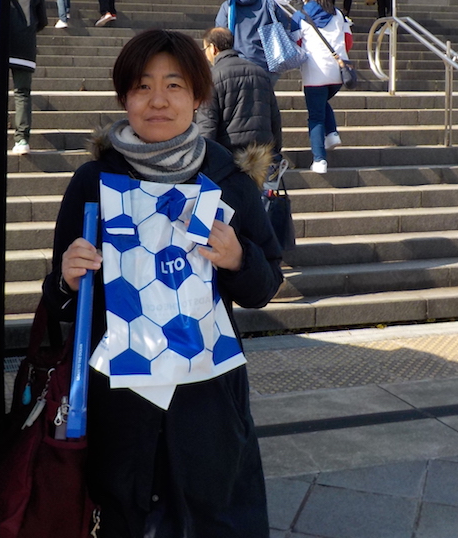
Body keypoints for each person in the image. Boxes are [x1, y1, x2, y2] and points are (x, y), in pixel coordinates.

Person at [43, 28, 281, 538]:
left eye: (174, 85)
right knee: (122, 517)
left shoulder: (228, 181)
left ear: (197, 97)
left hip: (207, 397)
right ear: (124, 97)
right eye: (142, 86)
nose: (157, 100)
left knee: (213, 516)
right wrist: (67, 280)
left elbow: (264, 287)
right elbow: (60, 302)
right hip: (119, 401)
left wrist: (239, 259)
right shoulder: (92, 184)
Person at [290, 0, 352, 174]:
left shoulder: (299, 16)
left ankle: (319, 160)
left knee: (316, 116)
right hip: (339, 73)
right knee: (321, 102)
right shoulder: (338, 14)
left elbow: (295, 44)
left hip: (315, 73)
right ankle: (332, 134)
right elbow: (348, 40)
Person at [196, 26, 282, 156]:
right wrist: (276, 150)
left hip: (228, 155)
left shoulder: (212, 78)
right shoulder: (259, 72)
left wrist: (205, 156)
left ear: (213, 48)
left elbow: (207, 123)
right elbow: (274, 116)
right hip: (261, 155)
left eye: (205, 49)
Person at [214, 0, 292, 79]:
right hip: (267, 65)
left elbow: (220, 35)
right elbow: (284, 26)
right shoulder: (269, 3)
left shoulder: (228, 7)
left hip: (237, 64)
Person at [7, 0, 48, 154]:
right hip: (25, 47)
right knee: (22, 93)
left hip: (2, 43)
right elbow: (43, 21)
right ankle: (22, 139)